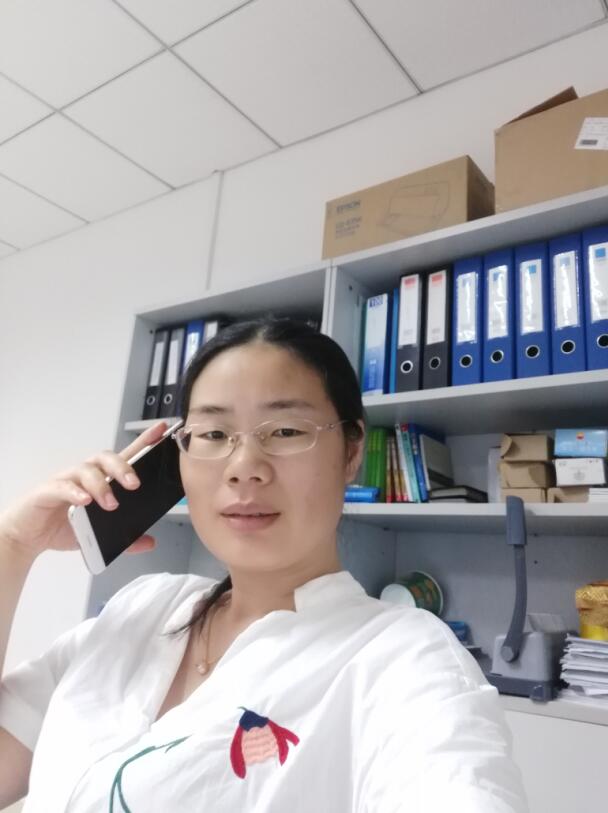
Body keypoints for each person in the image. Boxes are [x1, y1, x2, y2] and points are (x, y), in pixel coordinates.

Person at [0, 316, 528, 812]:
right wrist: (14, 544)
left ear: (351, 453)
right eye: (213, 434)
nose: (244, 468)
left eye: (286, 431)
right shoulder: (140, 606)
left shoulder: (405, 660)